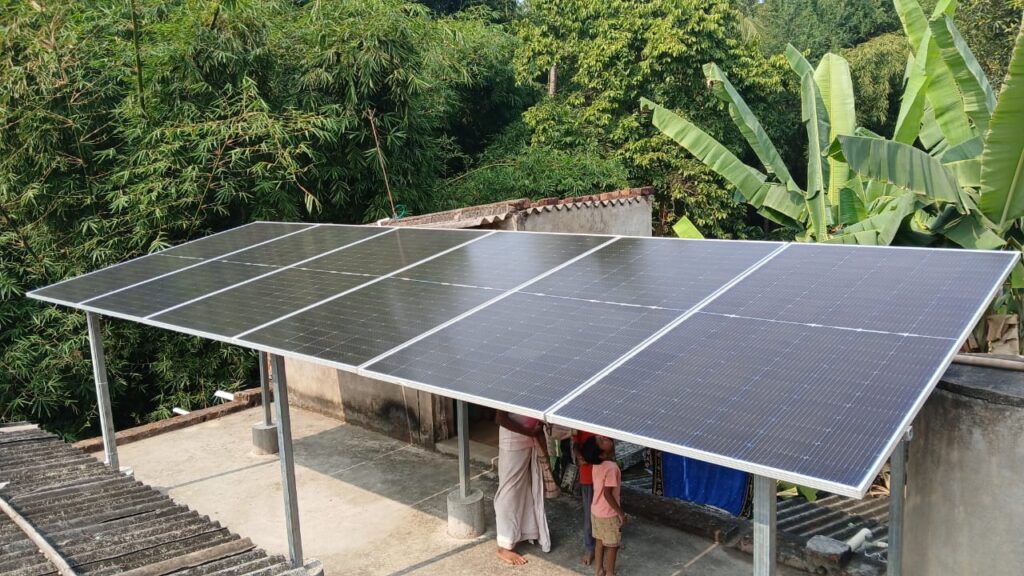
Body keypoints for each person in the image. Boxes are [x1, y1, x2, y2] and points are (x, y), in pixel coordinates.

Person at [494, 410, 551, 565]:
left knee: (526, 489)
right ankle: (503, 545)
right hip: (513, 442)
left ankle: (523, 532)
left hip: (529, 440)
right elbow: (500, 419)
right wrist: (529, 432)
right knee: (509, 492)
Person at [583, 435, 625, 576]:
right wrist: (621, 513)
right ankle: (610, 573)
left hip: (596, 510)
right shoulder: (612, 468)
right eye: (602, 441)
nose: (605, 438)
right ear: (602, 454)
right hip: (608, 514)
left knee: (599, 542)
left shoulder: (596, 464)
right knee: (613, 545)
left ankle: (599, 570)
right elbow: (608, 494)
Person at [572, 430, 596, 565]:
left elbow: (611, 446)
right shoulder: (581, 424)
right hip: (588, 476)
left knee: (609, 511)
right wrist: (580, 456)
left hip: (604, 476)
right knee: (589, 515)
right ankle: (590, 547)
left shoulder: (606, 423)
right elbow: (575, 444)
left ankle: (611, 539)